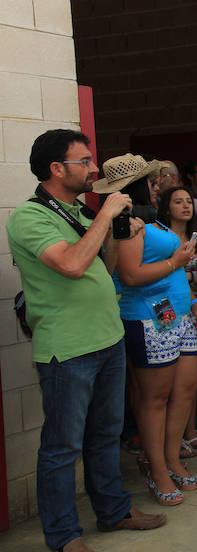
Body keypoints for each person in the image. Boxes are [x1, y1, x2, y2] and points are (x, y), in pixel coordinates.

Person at [6, 130, 166, 552]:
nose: (94, 169)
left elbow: (104, 265)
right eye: (84, 162)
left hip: (106, 338)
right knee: (61, 448)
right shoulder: (30, 217)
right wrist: (105, 214)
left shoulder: (75, 211)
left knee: (105, 434)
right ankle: (63, 536)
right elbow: (73, 265)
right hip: (67, 349)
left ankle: (114, 511)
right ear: (57, 169)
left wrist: (117, 233)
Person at [102, 154, 197, 506]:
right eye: (153, 182)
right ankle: (157, 470)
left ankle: (171, 458)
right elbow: (131, 275)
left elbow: (166, 272)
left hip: (176, 314)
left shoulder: (152, 221)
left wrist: (191, 300)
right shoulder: (127, 223)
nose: (160, 185)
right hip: (148, 318)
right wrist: (176, 261)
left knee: (185, 389)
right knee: (155, 398)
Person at [155, 186, 197, 456]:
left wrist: (189, 278)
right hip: (169, 311)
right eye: (178, 202)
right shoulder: (160, 238)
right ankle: (170, 441)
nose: (185, 206)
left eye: (187, 202)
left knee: (191, 378)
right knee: (169, 381)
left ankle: (191, 433)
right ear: (165, 206)